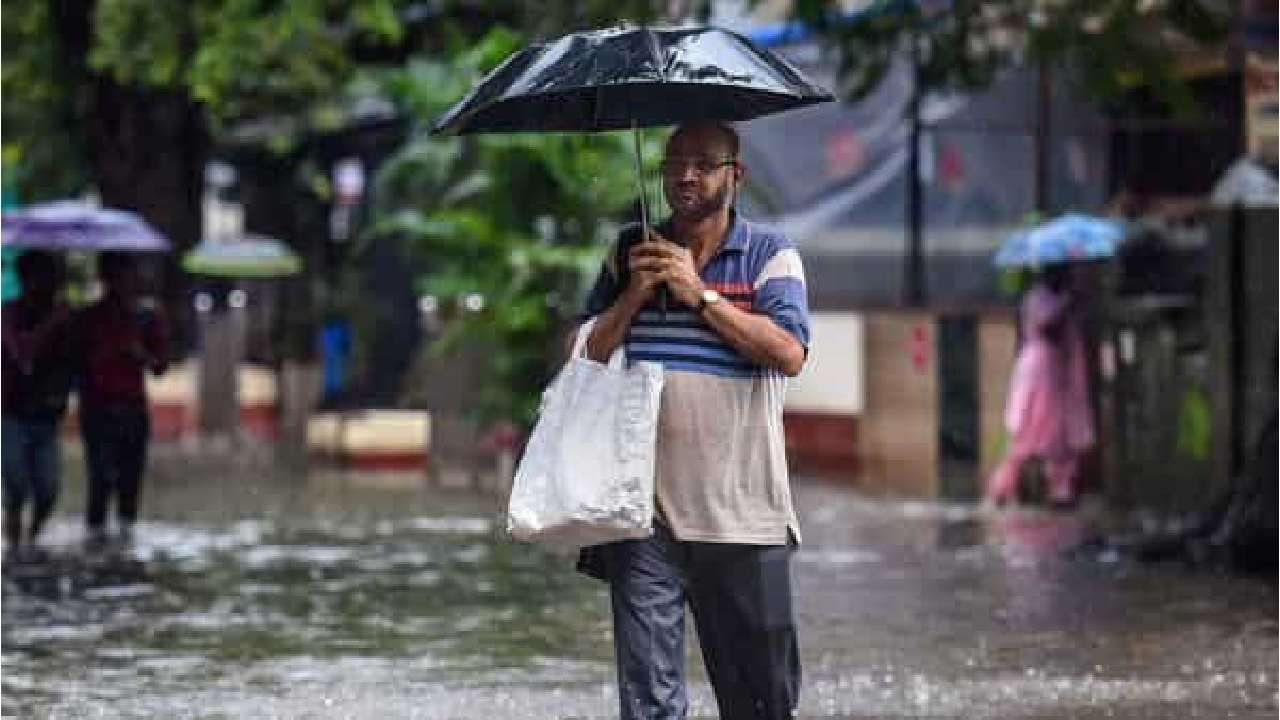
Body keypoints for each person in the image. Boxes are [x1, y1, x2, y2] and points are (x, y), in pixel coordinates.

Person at [575, 122, 810, 719]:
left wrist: (697, 293)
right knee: (648, 698)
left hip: (743, 515)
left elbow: (788, 352)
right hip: (641, 515)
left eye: (703, 164)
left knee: (760, 699)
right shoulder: (631, 248)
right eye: (676, 162)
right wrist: (635, 293)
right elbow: (585, 356)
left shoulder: (770, 254)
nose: (685, 176)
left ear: (736, 174)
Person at [75, 252, 169, 546]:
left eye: (127, 275)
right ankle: (96, 539)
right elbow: (73, 363)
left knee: (130, 478)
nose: (123, 283)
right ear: (105, 279)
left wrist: (140, 354)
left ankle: (125, 538)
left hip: (132, 408)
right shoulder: (87, 318)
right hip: (97, 409)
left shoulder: (146, 318)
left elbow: (160, 366)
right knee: (99, 478)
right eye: (116, 276)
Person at [985, 266, 1095, 509]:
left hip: (1059, 371)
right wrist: (1067, 302)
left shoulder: (1059, 299)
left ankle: (1061, 490)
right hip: (1041, 370)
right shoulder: (1038, 297)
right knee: (1030, 433)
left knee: (1061, 435)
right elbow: (1047, 328)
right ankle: (1002, 488)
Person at [1, 251, 75, 553]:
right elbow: (22, 355)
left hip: (48, 415)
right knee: (16, 485)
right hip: (12, 413)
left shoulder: (64, 316)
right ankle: (15, 543)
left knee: (48, 489)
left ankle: (32, 539)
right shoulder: (8, 312)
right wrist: (52, 324)